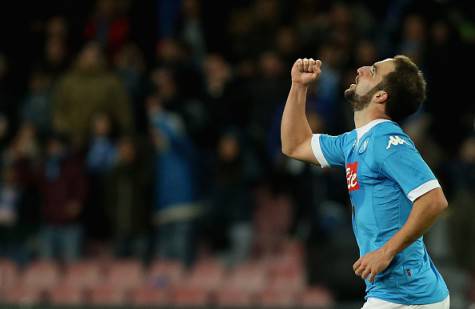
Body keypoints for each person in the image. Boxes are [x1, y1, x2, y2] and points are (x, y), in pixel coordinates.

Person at [281, 56, 450, 308]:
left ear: (381, 96)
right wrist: (298, 86)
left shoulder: (387, 141)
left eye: (372, 70)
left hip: (406, 294)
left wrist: (386, 251)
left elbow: (434, 200)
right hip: (401, 292)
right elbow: (295, 145)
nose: (360, 68)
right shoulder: (354, 141)